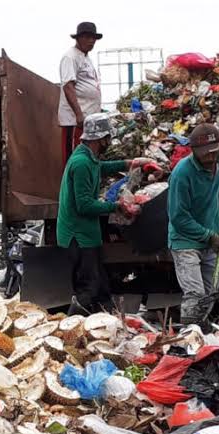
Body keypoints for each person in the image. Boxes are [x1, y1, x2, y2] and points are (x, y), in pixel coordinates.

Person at [57, 113, 155, 315]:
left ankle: (111, 324)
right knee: (89, 288)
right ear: (101, 139)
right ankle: (69, 329)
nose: (109, 142)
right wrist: (117, 206)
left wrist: (131, 163)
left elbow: (101, 168)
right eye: (108, 138)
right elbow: (84, 205)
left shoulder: (87, 158)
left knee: (102, 288)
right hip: (78, 236)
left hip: (87, 235)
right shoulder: (81, 163)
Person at [168, 123, 219, 324]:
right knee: (195, 295)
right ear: (194, 151)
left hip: (210, 237)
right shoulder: (182, 174)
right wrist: (208, 236)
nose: (210, 157)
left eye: (214, 152)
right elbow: (178, 218)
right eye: (205, 153)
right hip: (185, 241)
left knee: (214, 294)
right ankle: (190, 340)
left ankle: (209, 337)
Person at [58, 21, 103, 164]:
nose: (91, 41)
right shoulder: (70, 57)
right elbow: (68, 86)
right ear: (78, 38)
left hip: (87, 120)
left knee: (86, 158)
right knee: (74, 159)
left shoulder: (86, 58)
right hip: (75, 121)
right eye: (87, 37)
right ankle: (70, 187)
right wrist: (79, 114)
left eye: (93, 38)